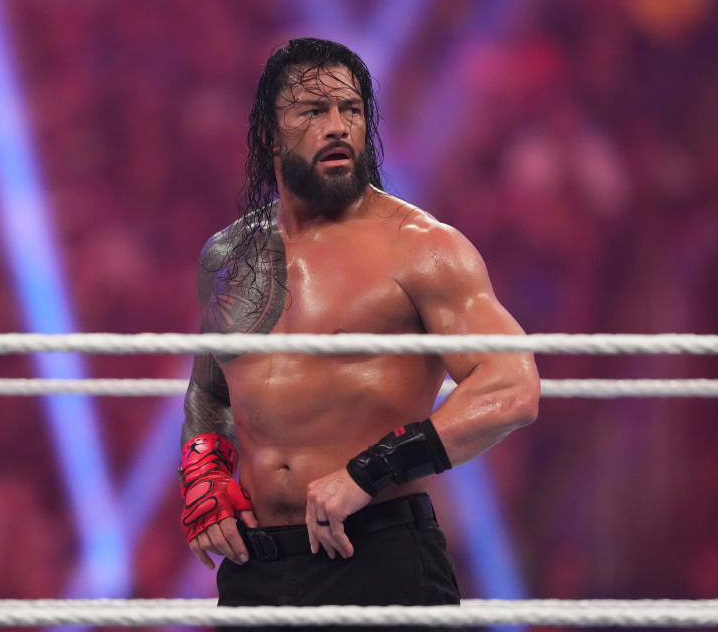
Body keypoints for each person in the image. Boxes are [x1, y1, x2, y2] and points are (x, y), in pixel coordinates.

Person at [178, 37, 540, 627]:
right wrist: (205, 473)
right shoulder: (229, 256)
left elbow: (511, 387)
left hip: (377, 555)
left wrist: (368, 471)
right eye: (313, 112)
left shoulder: (420, 248)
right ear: (271, 132)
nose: (338, 126)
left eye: (350, 110)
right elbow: (212, 391)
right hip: (259, 570)